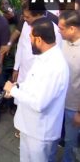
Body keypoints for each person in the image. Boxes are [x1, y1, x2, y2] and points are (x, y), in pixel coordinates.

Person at [3, 18, 69, 162]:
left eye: (31, 38)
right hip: (29, 127)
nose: (30, 42)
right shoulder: (43, 56)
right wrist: (17, 87)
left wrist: (14, 92)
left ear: (39, 40)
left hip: (40, 133)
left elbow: (39, 104)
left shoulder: (55, 66)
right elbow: (33, 82)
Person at [12, 3, 62, 83]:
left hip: (40, 78)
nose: (24, 19)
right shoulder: (26, 24)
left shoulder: (53, 30)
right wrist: (16, 68)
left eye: (27, 17)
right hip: (23, 74)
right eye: (24, 16)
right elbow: (21, 45)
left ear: (38, 15)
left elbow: (54, 58)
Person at [58, 10, 80, 162]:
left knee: (71, 143)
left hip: (74, 107)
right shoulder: (63, 42)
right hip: (58, 101)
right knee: (58, 136)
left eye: (61, 28)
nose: (58, 31)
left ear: (72, 29)